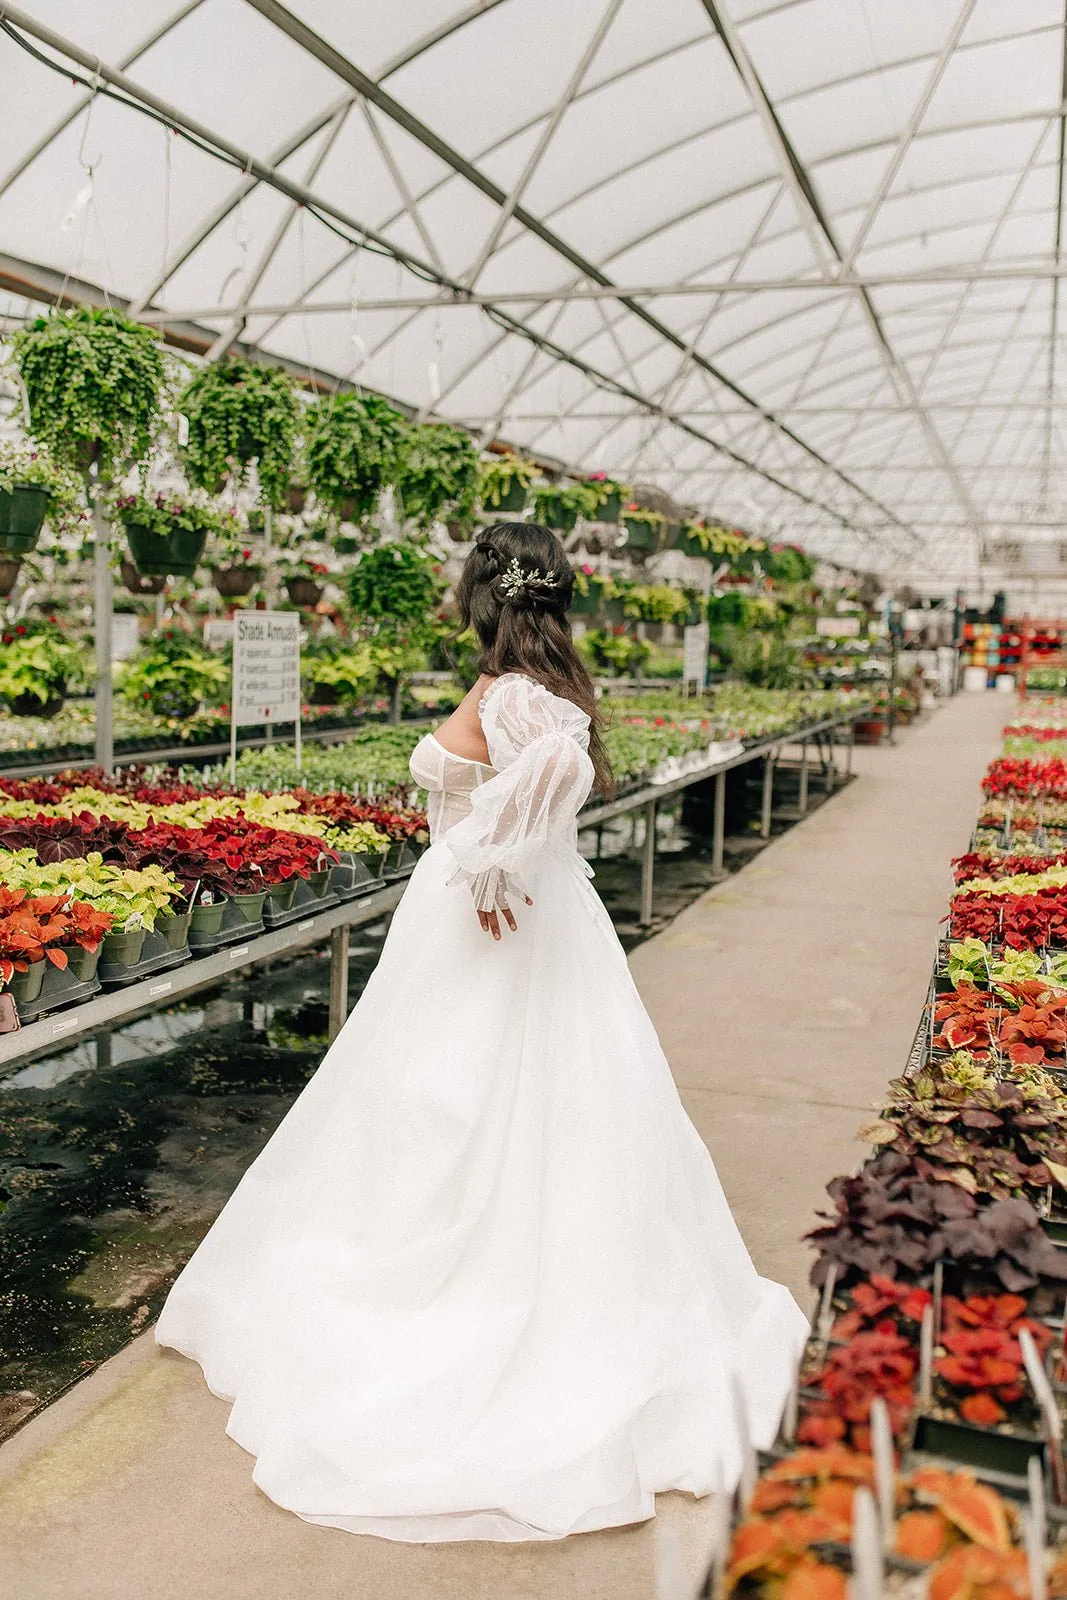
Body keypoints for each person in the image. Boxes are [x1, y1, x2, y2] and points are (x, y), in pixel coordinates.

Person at [155, 521, 808, 1543]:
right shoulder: (534, 687)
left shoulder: (508, 694)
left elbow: (557, 766)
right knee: (495, 1108)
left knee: (453, 1105)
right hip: (514, 923)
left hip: (485, 923)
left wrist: (490, 856)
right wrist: (501, 849)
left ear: (482, 593)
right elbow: (560, 758)